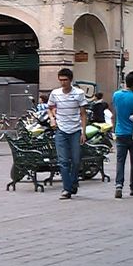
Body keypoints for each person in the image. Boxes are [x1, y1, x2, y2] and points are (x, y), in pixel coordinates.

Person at [48, 68, 89, 199]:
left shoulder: (79, 93)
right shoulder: (55, 93)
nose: (63, 83)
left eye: (65, 80)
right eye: (61, 80)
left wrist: (84, 132)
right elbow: (49, 108)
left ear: (70, 80)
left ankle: (73, 182)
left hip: (75, 130)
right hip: (61, 130)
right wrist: (52, 119)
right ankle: (67, 188)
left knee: (76, 160)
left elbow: (83, 114)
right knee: (63, 161)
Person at [111, 71, 133, 198]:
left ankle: (118, 185)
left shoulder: (116, 95)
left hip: (120, 132)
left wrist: (114, 129)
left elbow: (115, 113)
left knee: (120, 161)